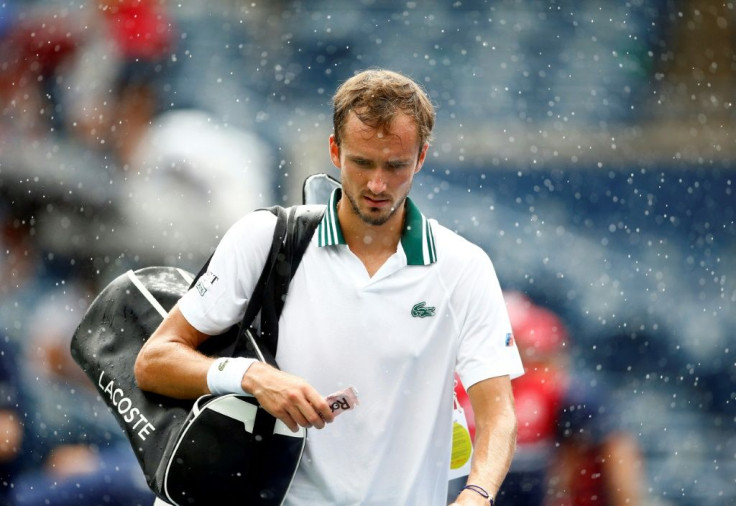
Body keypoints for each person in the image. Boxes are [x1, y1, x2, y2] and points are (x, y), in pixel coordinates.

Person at [134, 68, 524, 505]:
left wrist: (478, 492)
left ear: (421, 158)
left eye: (395, 165)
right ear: (335, 151)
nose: (377, 184)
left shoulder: (463, 268)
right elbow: (154, 361)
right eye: (362, 162)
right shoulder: (263, 238)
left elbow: (498, 415)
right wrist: (251, 376)